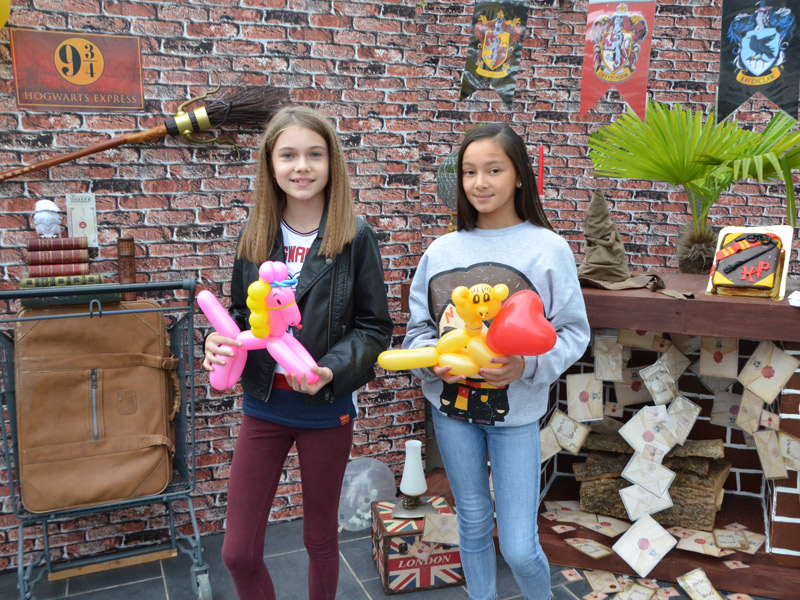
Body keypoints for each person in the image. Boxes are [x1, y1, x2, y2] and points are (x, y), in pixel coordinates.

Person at [203, 105, 393, 600]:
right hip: (264, 403)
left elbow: (375, 328)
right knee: (237, 552)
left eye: (314, 154)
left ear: (333, 163)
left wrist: (329, 370)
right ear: (270, 165)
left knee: (319, 539)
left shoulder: (355, 237)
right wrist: (217, 341)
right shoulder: (255, 234)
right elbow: (242, 316)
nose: (301, 166)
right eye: (288, 155)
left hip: (325, 408)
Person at [402, 123, 590, 600]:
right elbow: (418, 331)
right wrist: (431, 365)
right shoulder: (441, 251)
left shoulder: (548, 249)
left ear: (520, 175)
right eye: (469, 172)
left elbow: (574, 333)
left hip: (516, 418)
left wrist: (525, 367)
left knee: (521, 547)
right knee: (471, 523)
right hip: (451, 413)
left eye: (493, 170)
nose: (479, 183)